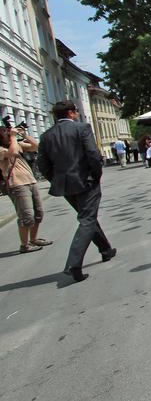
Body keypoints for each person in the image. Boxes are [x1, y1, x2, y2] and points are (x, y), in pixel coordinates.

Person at [37, 100, 116, 283]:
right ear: (71, 113)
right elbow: (93, 154)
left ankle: (105, 249)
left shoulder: (46, 135)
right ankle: (74, 264)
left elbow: (42, 164)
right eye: (76, 111)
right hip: (85, 181)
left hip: (65, 185)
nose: (78, 114)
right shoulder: (82, 128)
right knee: (87, 219)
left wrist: (56, 179)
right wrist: (96, 175)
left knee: (87, 217)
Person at [0, 124, 52, 254]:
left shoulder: (16, 144)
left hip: (31, 181)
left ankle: (33, 239)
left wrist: (24, 135)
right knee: (26, 216)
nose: (8, 133)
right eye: (5, 132)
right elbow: (13, 153)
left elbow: (36, 146)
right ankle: (24, 245)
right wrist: (13, 137)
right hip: (17, 184)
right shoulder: (2, 149)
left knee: (38, 214)